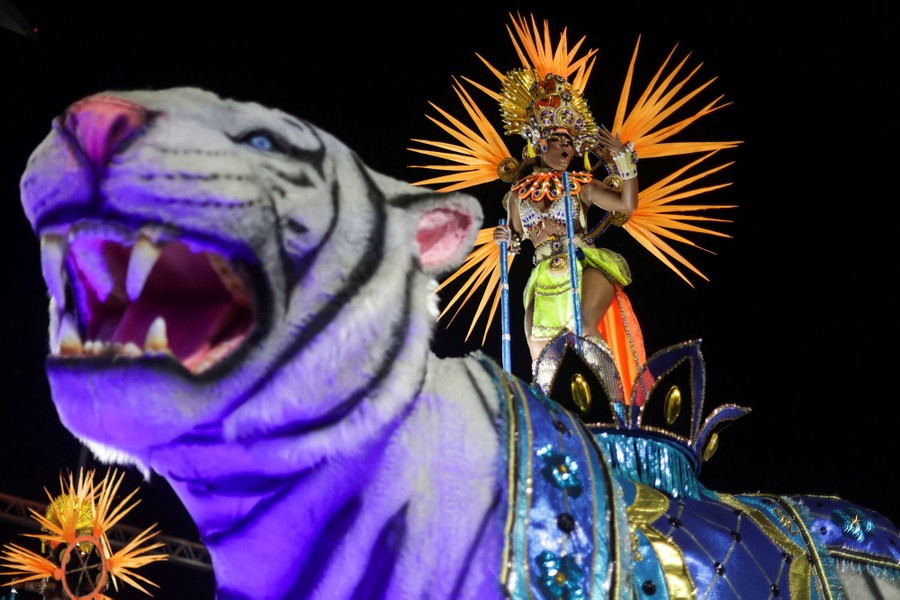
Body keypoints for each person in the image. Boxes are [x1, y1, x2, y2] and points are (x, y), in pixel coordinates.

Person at [492, 125, 638, 366]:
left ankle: (610, 385)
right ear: (540, 145)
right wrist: (504, 237)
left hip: (583, 262)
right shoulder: (518, 194)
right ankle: (549, 390)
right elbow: (514, 240)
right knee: (539, 350)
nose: (565, 146)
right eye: (556, 139)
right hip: (543, 272)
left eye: (569, 142)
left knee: (584, 325)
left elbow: (627, 204)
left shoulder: (582, 185)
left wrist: (623, 159)